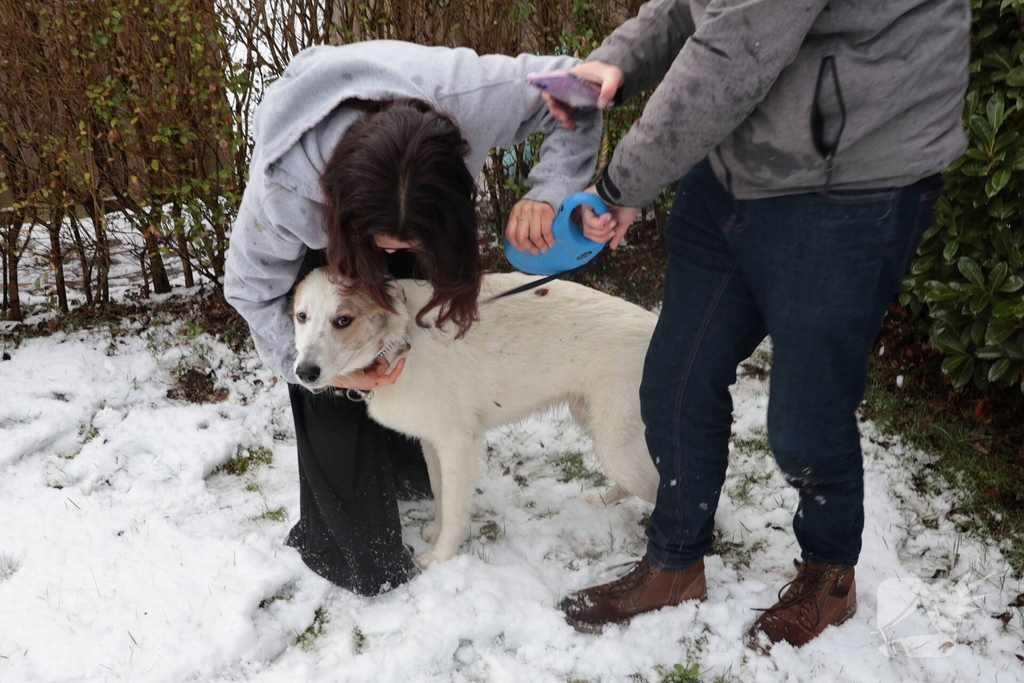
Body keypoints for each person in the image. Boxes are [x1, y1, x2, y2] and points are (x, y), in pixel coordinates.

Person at [549, 0, 970, 650]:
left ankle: (830, 572)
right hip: (736, 167)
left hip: (850, 182)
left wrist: (616, 187)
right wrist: (621, 57)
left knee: (806, 418)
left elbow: (734, 52)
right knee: (675, 378)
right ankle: (674, 561)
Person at [224, 40, 605, 596]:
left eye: (410, 243)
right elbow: (249, 291)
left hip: (411, 198)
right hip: (323, 228)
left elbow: (582, 89)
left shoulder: (477, 96)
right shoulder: (286, 193)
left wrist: (549, 192)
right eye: (387, 243)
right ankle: (351, 544)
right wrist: (316, 366)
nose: (395, 254)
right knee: (328, 364)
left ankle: (411, 453)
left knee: (423, 338)